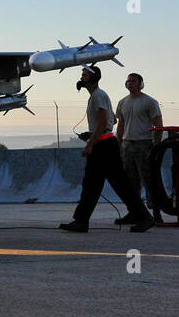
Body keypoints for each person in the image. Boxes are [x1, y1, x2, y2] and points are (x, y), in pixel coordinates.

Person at [60, 65, 154, 232]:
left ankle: (144, 217)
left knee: (100, 184)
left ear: (93, 77)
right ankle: (82, 221)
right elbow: (112, 121)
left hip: (103, 147)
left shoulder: (98, 96)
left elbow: (105, 122)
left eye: (85, 74)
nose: (81, 76)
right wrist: (92, 133)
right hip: (104, 143)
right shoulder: (97, 96)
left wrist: (90, 144)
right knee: (99, 185)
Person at [115, 72, 165, 223]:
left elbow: (159, 126)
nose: (130, 83)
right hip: (127, 145)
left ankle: (156, 213)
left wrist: (155, 147)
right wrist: (118, 144)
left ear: (140, 84)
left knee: (149, 180)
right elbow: (121, 125)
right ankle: (134, 212)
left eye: (133, 81)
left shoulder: (149, 102)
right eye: (128, 81)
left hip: (144, 145)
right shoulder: (122, 102)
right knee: (130, 183)